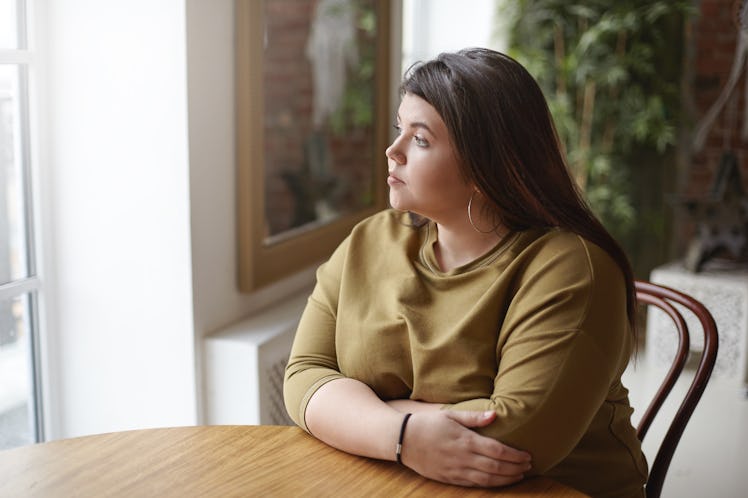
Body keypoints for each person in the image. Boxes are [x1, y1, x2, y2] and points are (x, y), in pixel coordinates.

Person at [283, 47, 648, 497]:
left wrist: (361, 413)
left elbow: (516, 439)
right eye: (401, 129)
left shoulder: (572, 269)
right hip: (399, 482)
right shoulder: (370, 240)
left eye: (420, 139)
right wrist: (403, 436)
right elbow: (303, 375)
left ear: (485, 166)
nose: (391, 151)